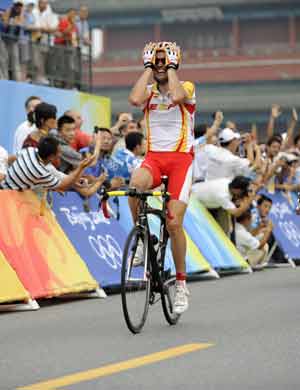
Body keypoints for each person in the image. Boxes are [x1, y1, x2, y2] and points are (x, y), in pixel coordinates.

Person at [128, 41, 196, 314]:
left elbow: (178, 96)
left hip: (181, 160)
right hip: (154, 158)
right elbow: (134, 100)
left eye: (163, 60)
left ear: (173, 62)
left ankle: (181, 284)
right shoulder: (148, 92)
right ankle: (143, 240)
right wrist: (147, 67)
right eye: (155, 60)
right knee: (135, 187)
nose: (159, 64)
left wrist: (170, 68)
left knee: (174, 223)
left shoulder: (187, 86)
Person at [0, 136, 94, 191]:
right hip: (8, 196)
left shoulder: (30, 150)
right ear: (51, 157)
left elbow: (11, 159)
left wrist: (76, 182)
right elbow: (62, 185)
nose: (60, 154)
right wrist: (81, 167)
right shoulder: (39, 171)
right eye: (58, 152)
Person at [192, 175, 259, 237]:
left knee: (228, 223)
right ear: (238, 190)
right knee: (228, 227)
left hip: (195, 189)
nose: (245, 194)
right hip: (193, 201)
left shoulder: (227, 182)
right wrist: (248, 201)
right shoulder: (223, 196)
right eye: (244, 192)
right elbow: (236, 213)